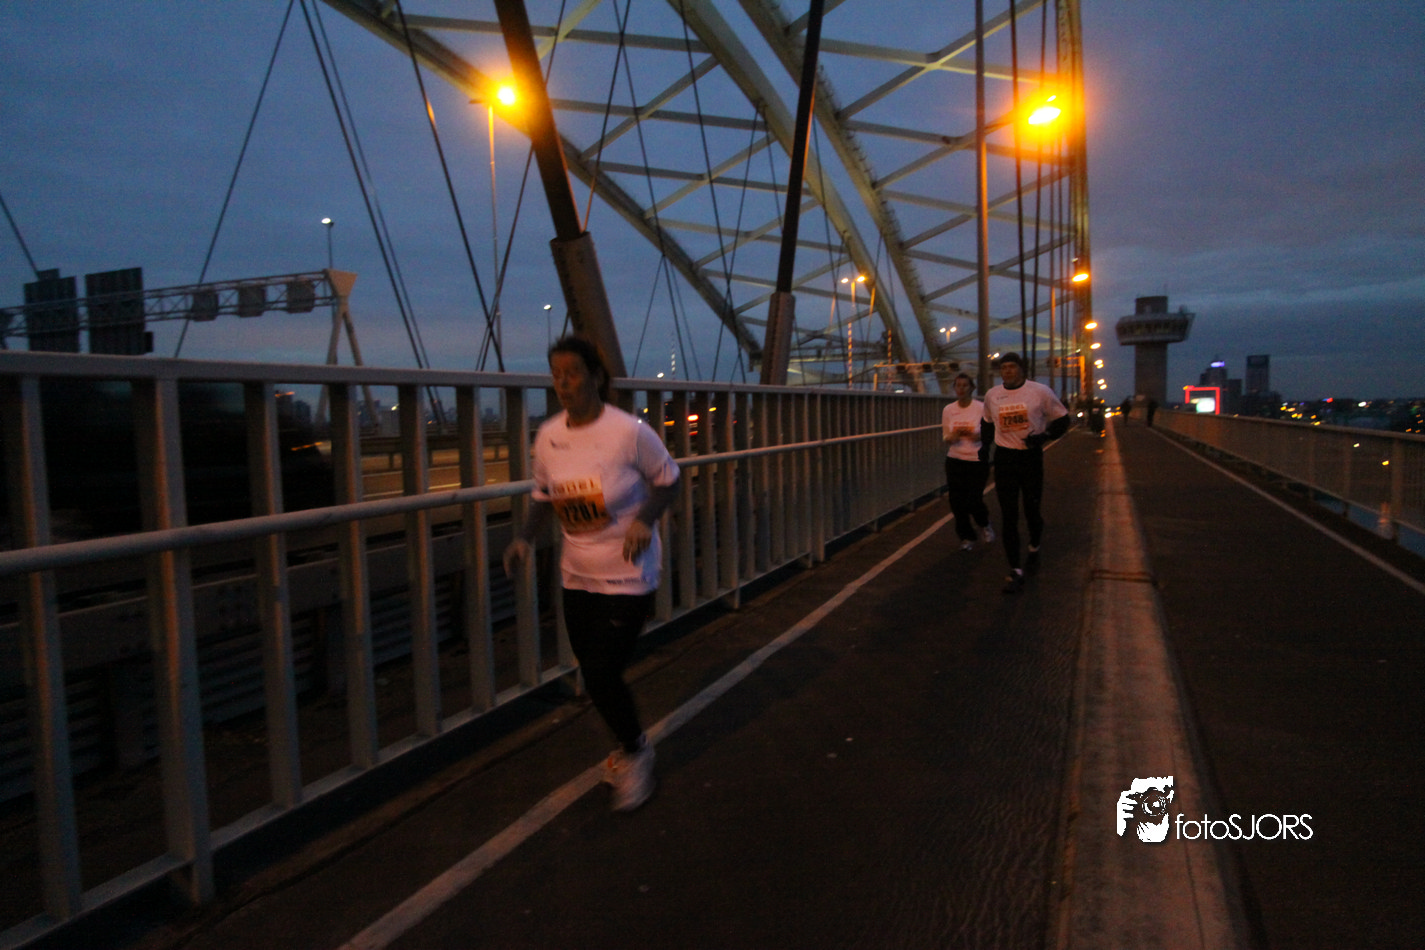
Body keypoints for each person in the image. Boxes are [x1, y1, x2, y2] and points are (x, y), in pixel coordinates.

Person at [503, 336, 681, 811]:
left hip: (628, 573)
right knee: (593, 671)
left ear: (597, 377)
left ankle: (637, 752)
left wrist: (644, 520)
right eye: (556, 375)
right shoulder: (549, 435)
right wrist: (524, 538)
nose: (563, 384)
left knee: (602, 672)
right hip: (577, 574)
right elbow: (544, 495)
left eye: (573, 373)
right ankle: (627, 746)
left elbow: (669, 481)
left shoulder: (629, 432)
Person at [981, 352, 1069, 593]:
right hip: (1005, 459)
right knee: (1008, 515)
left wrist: (1045, 436)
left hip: (1030, 458)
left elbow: (1063, 420)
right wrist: (984, 450)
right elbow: (987, 423)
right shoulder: (992, 395)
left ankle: (1034, 545)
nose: (1007, 371)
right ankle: (1015, 570)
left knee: (1032, 510)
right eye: (1004, 367)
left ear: (1021, 369)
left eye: (1012, 366)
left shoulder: (1040, 392)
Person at [941, 372, 994, 551]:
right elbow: (946, 436)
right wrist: (953, 436)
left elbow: (990, 433)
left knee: (974, 500)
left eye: (965, 385)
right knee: (956, 502)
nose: (961, 389)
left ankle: (984, 523)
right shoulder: (948, 410)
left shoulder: (981, 408)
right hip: (955, 460)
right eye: (958, 385)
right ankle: (967, 536)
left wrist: (978, 436)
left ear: (972, 388)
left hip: (976, 460)